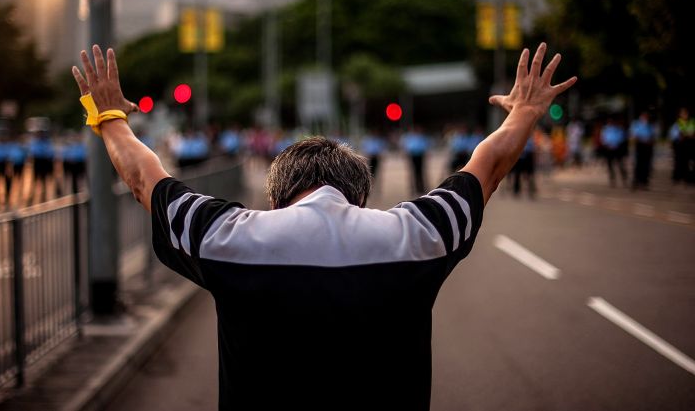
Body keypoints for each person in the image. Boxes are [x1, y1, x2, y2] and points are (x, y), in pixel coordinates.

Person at [71, 43, 576, 411]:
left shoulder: (231, 238)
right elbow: (485, 168)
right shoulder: (416, 236)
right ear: (361, 195)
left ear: (275, 196)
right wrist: (525, 113)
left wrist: (109, 116)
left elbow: (144, 178)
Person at [629, 111, 655, 190]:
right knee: (638, 165)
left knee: (646, 165)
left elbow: (653, 135)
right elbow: (633, 135)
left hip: (648, 147)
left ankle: (644, 182)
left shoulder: (650, 125)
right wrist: (642, 139)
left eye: (646, 116)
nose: (645, 118)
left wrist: (650, 141)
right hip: (639, 146)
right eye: (644, 116)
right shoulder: (636, 124)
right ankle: (636, 182)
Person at [401, 127, 431, 194]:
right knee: (413, 172)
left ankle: (421, 188)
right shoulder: (409, 137)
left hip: (420, 156)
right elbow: (406, 146)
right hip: (412, 156)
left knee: (420, 172)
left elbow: (425, 146)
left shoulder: (422, 137)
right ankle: (414, 189)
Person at [600, 117, 628, 187]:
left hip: (617, 148)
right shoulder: (605, 129)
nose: (610, 123)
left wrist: (616, 144)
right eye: (609, 122)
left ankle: (624, 178)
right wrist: (608, 144)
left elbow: (622, 138)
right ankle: (612, 179)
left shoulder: (618, 129)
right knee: (610, 165)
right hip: (608, 149)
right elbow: (603, 138)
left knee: (620, 164)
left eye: (611, 122)